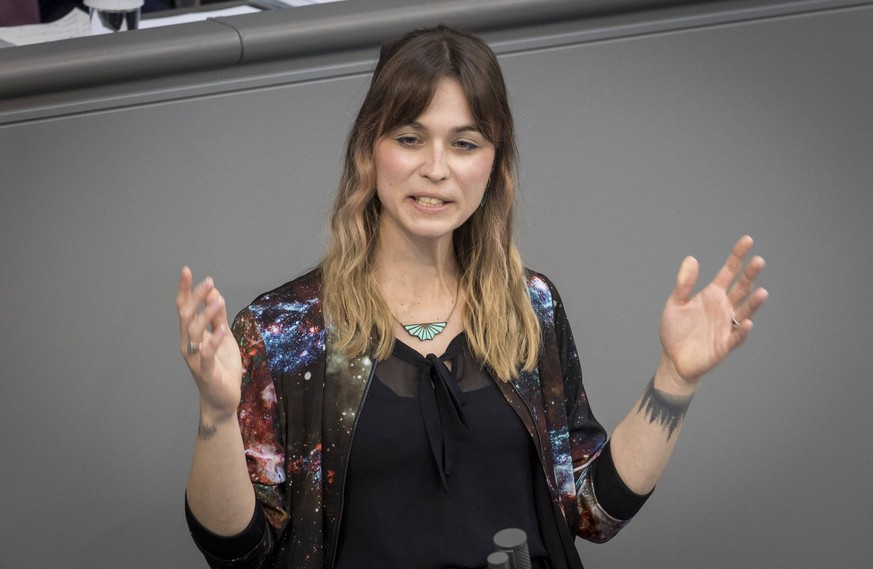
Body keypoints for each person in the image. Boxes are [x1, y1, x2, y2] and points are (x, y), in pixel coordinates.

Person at [176, 25, 767, 569]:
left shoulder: (530, 307)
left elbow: (590, 509)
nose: (436, 169)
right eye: (410, 138)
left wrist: (675, 380)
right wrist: (217, 417)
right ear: (369, 151)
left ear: (493, 164)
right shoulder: (285, 330)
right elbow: (238, 550)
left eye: (464, 144)